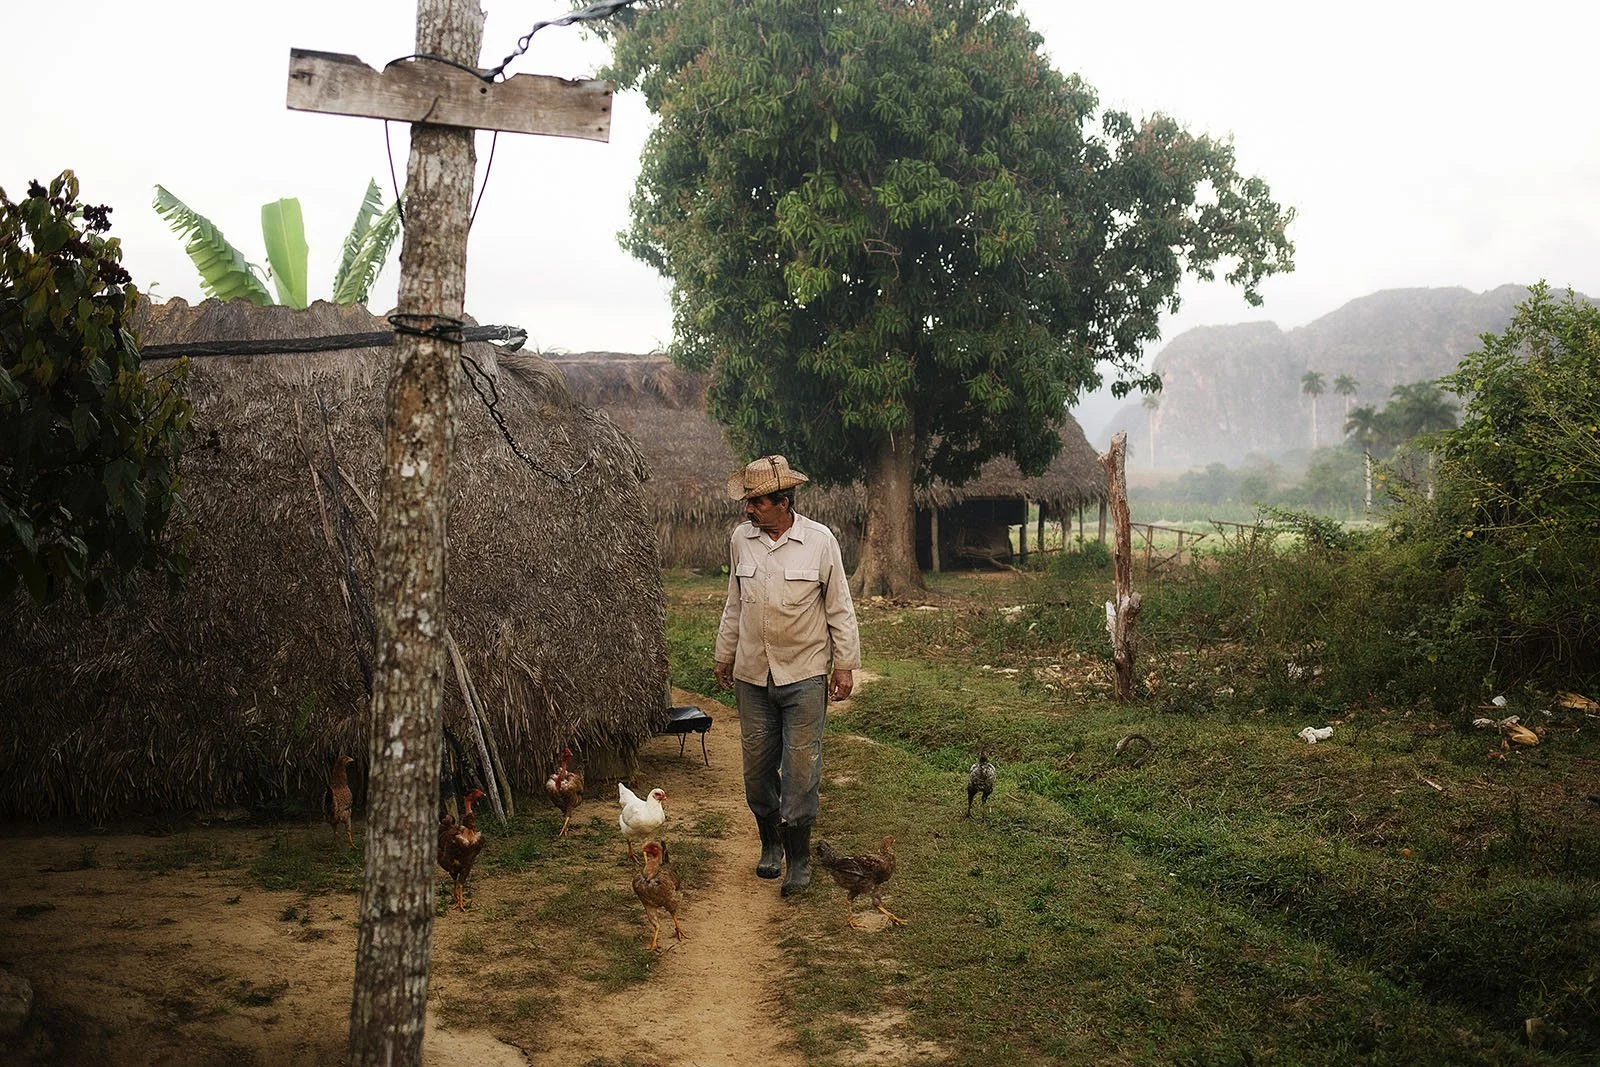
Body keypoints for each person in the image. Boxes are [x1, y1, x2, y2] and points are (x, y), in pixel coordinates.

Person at [714, 455, 861, 897]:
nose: (748, 509)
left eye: (757, 502)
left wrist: (844, 664)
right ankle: (771, 844)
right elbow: (734, 602)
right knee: (757, 770)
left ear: (784, 501)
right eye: (747, 501)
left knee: (800, 770)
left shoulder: (819, 541)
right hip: (752, 676)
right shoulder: (741, 540)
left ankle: (799, 859)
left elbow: (839, 606)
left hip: (805, 674)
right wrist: (724, 655)